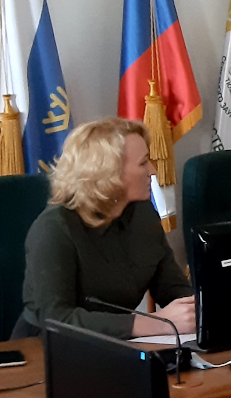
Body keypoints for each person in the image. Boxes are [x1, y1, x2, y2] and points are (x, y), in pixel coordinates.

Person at [14, 117, 195, 339]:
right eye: (143, 163)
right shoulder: (54, 228)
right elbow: (56, 318)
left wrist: (201, 312)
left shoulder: (143, 214)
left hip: (118, 345)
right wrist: (155, 324)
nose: (153, 170)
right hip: (44, 347)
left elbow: (173, 289)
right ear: (109, 173)